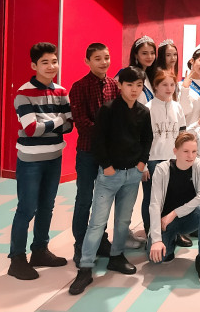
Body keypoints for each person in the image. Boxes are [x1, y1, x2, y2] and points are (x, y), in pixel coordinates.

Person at [69, 66, 152, 295]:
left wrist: (141, 164)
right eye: (129, 85)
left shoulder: (143, 112)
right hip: (109, 174)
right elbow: (98, 140)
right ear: (120, 85)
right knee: (97, 222)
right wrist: (106, 166)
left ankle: (116, 256)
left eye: (138, 85)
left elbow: (147, 139)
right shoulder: (107, 109)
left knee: (123, 221)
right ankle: (85, 267)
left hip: (132, 174)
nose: (134, 90)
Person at [9, 42, 73, 280]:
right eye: (45, 62)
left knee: (47, 206)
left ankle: (40, 250)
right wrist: (58, 120)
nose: (51, 66)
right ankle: (17, 259)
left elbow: (70, 126)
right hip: (31, 161)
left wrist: (49, 123)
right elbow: (31, 129)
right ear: (34, 65)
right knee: (27, 208)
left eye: (54, 61)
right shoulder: (23, 93)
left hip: (54, 157)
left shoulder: (61, 91)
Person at [68, 42, 119, 268]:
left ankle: (101, 240)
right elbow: (81, 122)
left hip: (109, 154)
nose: (103, 62)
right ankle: (80, 244)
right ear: (87, 61)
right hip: (88, 152)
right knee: (84, 199)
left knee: (104, 199)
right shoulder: (79, 87)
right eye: (97, 58)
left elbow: (119, 117)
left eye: (106, 57)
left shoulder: (114, 86)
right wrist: (107, 134)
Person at [147, 133, 200, 283]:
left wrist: (174, 213)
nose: (191, 156)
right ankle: (170, 240)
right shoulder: (162, 169)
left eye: (194, 151)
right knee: (157, 259)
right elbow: (154, 204)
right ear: (175, 151)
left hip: (188, 219)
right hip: (166, 223)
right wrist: (156, 240)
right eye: (186, 151)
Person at [142, 69, 187, 237]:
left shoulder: (177, 107)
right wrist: (143, 165)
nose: (169, 88)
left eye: (172, 84)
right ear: (156, 86)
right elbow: (141, 140)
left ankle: (174, 233)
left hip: (174, 160)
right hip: (153, 160)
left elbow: (182, 134)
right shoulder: (148, 108)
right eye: (164, 85)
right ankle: (151, 234)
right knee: (152, 199)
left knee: (175, 198)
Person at [119, 35, 157, 105]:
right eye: (144, 53)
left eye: (152, 53)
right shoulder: (127, 74)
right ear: (136, 55)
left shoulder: (149, 76)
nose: (149, 57)